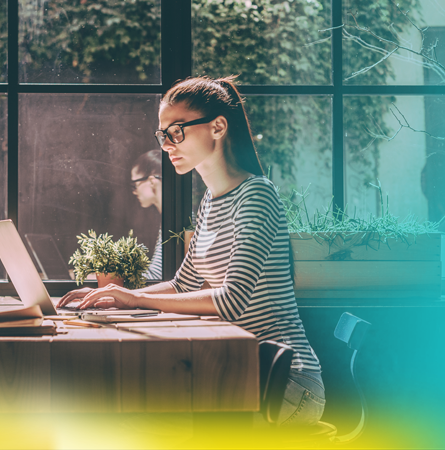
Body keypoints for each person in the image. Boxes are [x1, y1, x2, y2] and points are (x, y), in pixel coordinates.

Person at [59, 76, 325, 426]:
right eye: (163, 134)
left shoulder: (256, 196)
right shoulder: (210, 201)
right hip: (240, 368)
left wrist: (134, 299)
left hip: (284, 382)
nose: (167, 144)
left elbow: (231, 301)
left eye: (177, 131)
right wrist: (114, 295)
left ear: (217, 127)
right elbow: (184, 284)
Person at [130, 150, 163, 280]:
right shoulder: (169, 219)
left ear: (151, 181)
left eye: (135, 184)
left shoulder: (174, 222)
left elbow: (156, 277)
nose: (134, 192)